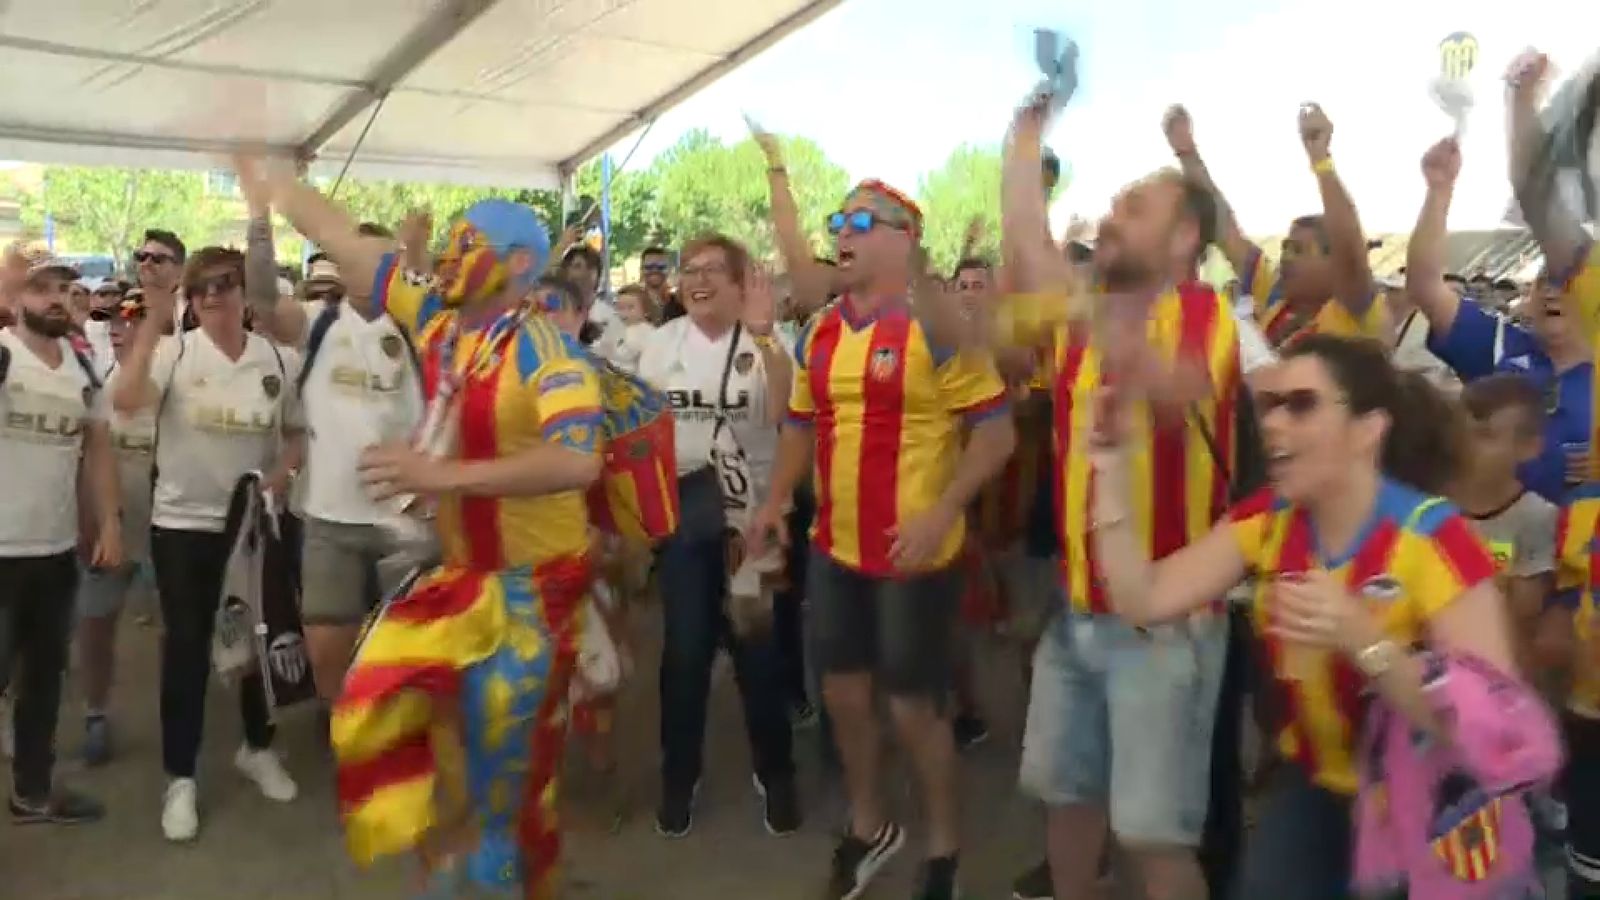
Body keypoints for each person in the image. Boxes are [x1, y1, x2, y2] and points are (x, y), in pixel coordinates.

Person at [243, 153, 607, 897]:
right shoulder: (442, 327)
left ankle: (502, 871)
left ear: (514, 265)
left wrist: (442, 477)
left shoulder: (550, 353)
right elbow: (349, 243)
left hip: (534, 598)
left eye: (465, 241)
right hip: (463, 584)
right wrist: (273, 183)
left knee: (506, 778)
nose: (446, 251)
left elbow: (577, 461)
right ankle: (450, 872)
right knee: (404, 729)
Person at [1090, 334, 1518, 897]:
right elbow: (1143, 598)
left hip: (1441, 802)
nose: (1271, 425)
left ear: (1368, 429)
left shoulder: (1434, 539)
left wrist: (1362, 640)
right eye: (1271, 405)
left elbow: (1491, 726)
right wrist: (1112, 469)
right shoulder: (1270, 520)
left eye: (1303, 405)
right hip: (1321, 787)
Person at [1000, 93, 1242, 900]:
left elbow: (1178, 389)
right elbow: (1030, 251)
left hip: (1164, 627)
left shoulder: (1204, 314)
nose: (1110, 217)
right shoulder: (1081, 317)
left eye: (1131, 210)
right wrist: (1025, 138)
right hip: (1076, 614)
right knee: (1067, 800)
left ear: (1182, 241)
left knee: (1154, 834)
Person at [748, 179, 1015, 900]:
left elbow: (996, 433)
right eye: (839, 218)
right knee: (843, 696)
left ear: (904, 237)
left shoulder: (937, 326)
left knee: (915, 709)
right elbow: (801, 425)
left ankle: (945, 846)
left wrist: (942, 512)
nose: (843, 229)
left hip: (915, 559)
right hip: (836, 549)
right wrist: (776, 500)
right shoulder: (820, 331)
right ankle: (871, 826)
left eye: (863, 220)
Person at [111, 245, 305, 843]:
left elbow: (296, 434)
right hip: (181, 527)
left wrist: (283, 474)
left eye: (225, 284)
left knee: (251, 638)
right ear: (191, 302)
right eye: (201, 290)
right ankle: (180, 778)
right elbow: (124, 401)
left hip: (248, 529)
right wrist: (153, 319)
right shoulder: (173, 354)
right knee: (190, 648)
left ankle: (256, 747)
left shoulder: (277, 359)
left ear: (245, 292)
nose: (214, 297)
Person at [638, 234, 798, 839]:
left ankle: (775, 773)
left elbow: (786, 415)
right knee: (685, 650)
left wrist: (763, 336)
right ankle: (679, 776)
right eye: (689, 269)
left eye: (711, 270)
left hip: (751, 519)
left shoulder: (767, 341)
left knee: (758, 648)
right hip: (681, 518)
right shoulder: (660, 344)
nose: (696, 280)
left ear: (740, 282)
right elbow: (636, 426)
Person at [240, 193, 425, 708]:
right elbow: (260, 301)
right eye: (358, 257)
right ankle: (346, 741)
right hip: (330, 520)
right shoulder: (319, 322)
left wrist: (420, 251)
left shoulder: (419, 328)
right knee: (327, 652)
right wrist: (259, 218)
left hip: (404, 518)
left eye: (381, 258)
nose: (369, 268)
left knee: (410, 654)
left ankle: (400, 750)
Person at [0, 256, 121, 825]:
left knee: (44, 683)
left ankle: (32, 792)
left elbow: (96, 446)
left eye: (63, 288)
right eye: (39, 287)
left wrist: (110, 522)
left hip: (52, 553)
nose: (54, 298)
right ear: (15, 297)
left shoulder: (82, 366)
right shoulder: (4, 354)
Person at [1408, 135, 1590, 503]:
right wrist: (1439, 191)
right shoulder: (1498, 344)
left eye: (1568, 282)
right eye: (1544, 280)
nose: (1553, 290)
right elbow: (1426, 286)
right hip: (1496, 545)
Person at [1165, 104, 1390, 348]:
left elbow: (1349, 248)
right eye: (1286, 248)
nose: (1286, 258)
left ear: (1335, 264)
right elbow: (1224, 228)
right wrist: (1187, 153)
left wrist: (1321, 162)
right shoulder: (1275, 294)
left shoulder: (1355, 310)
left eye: (1300, 250)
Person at [74, 291, 160, 767]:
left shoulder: (173, 379)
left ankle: (181, 718)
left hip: (166, 532)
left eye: (131, 317)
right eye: (108, 316)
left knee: (177, 631)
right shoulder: (96, 383)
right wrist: (90, 519)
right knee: (95, 627)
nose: (116, 325)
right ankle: (95, 715)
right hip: (111, 534)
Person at [1451, 375, 1557, 672]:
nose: (1467, 446)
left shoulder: (1534, 516)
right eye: (1461, 432)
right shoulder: (1428, 506)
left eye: (1485, 436)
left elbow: (1523, 616)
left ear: (1529, 448)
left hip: (1495, 677)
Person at [595, 283, 656, 373]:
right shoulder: (622, 327)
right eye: (620, 308)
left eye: (631, 307)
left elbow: (625, 353)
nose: (624, 312)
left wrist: (606, 350)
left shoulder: (644, 331)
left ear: (645, 309)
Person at [640, 246, 682, 322]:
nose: (655, 270)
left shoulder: (680, 305)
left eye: (661, 267)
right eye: (649, 267)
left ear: (668, 270)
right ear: (641, 270)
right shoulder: (633, 304)